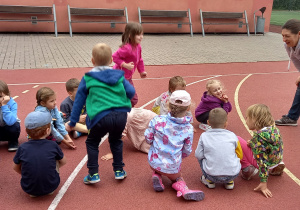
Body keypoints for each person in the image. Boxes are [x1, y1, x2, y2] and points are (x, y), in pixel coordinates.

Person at [65, 43, 135, 184]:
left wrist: (72, 123)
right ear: (110, 61)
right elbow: (131, 92)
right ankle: (119, 170)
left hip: (100, 116)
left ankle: (93, 174)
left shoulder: (88, 78)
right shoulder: (119, 75)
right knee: (116, 141)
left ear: (92, 61)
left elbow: (78, 102)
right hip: (121, 115)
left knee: (92, 142)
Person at [145, 90, 204, 201]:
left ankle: (156, 175)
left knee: (158, 164)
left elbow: (148, 138)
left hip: (154, 162)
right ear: (188, 108)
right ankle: (183, 188)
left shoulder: (157, 120)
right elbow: (187, 150)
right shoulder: (188, 128)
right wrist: (180, 156)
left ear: (168, 104)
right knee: (178, 178)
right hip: (172, 166)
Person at [13, 111, 66, 197]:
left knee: (24, 160)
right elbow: (64, 161)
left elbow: (15, 168)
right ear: (48, 130)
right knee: (55, 159)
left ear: (27, 131)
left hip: (28, 188)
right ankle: (48, 179)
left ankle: (33, 181)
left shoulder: (22, 147)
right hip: (51, 186)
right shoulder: (52, 145)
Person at [240, 104, 285, 198]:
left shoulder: (259, 138)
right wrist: (252, 143)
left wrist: (263, 183)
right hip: (276, 159)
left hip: (266, 163)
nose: (246, 120)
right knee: (258, 147)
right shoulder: (274, 129)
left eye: (247, 118)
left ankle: (247, 168)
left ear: (255, 119)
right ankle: (276, 166)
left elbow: (262, 161)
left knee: (237, 140)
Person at [195, 108, 242, 190]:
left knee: (201, 156)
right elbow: (240, 155)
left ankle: (209, 181)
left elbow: (198, 155)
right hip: (232, 174)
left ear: (208, 122)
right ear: (226, 123)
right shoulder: (233, 136)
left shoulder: (204, 136)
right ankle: (229, 182)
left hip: (211, 175)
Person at [112, 22, 147, 107]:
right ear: (130, 35)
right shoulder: (126, 48)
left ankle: (123, 110)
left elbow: (139, 60)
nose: (141, 37)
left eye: (142, 34)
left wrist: (141, 71)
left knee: (132, 98)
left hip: (127, 77)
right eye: (138, 35)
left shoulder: (138, 46)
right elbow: (114, 57)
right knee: (132, 98)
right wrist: (125, 65)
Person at [275, 19, 300, 126]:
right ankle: (292, 117)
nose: (284, 39)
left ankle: (292, 117)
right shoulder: (288, 46)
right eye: (282, 36)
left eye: (287, 36)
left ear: (299, 34)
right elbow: (296, 61)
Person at [0, 80, 20, 151]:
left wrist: (4, 106)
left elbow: (10, 122)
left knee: (14, 126)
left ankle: (13, 141)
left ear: (7, 96)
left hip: (9, 129)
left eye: (0, 96)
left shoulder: (12, 104)